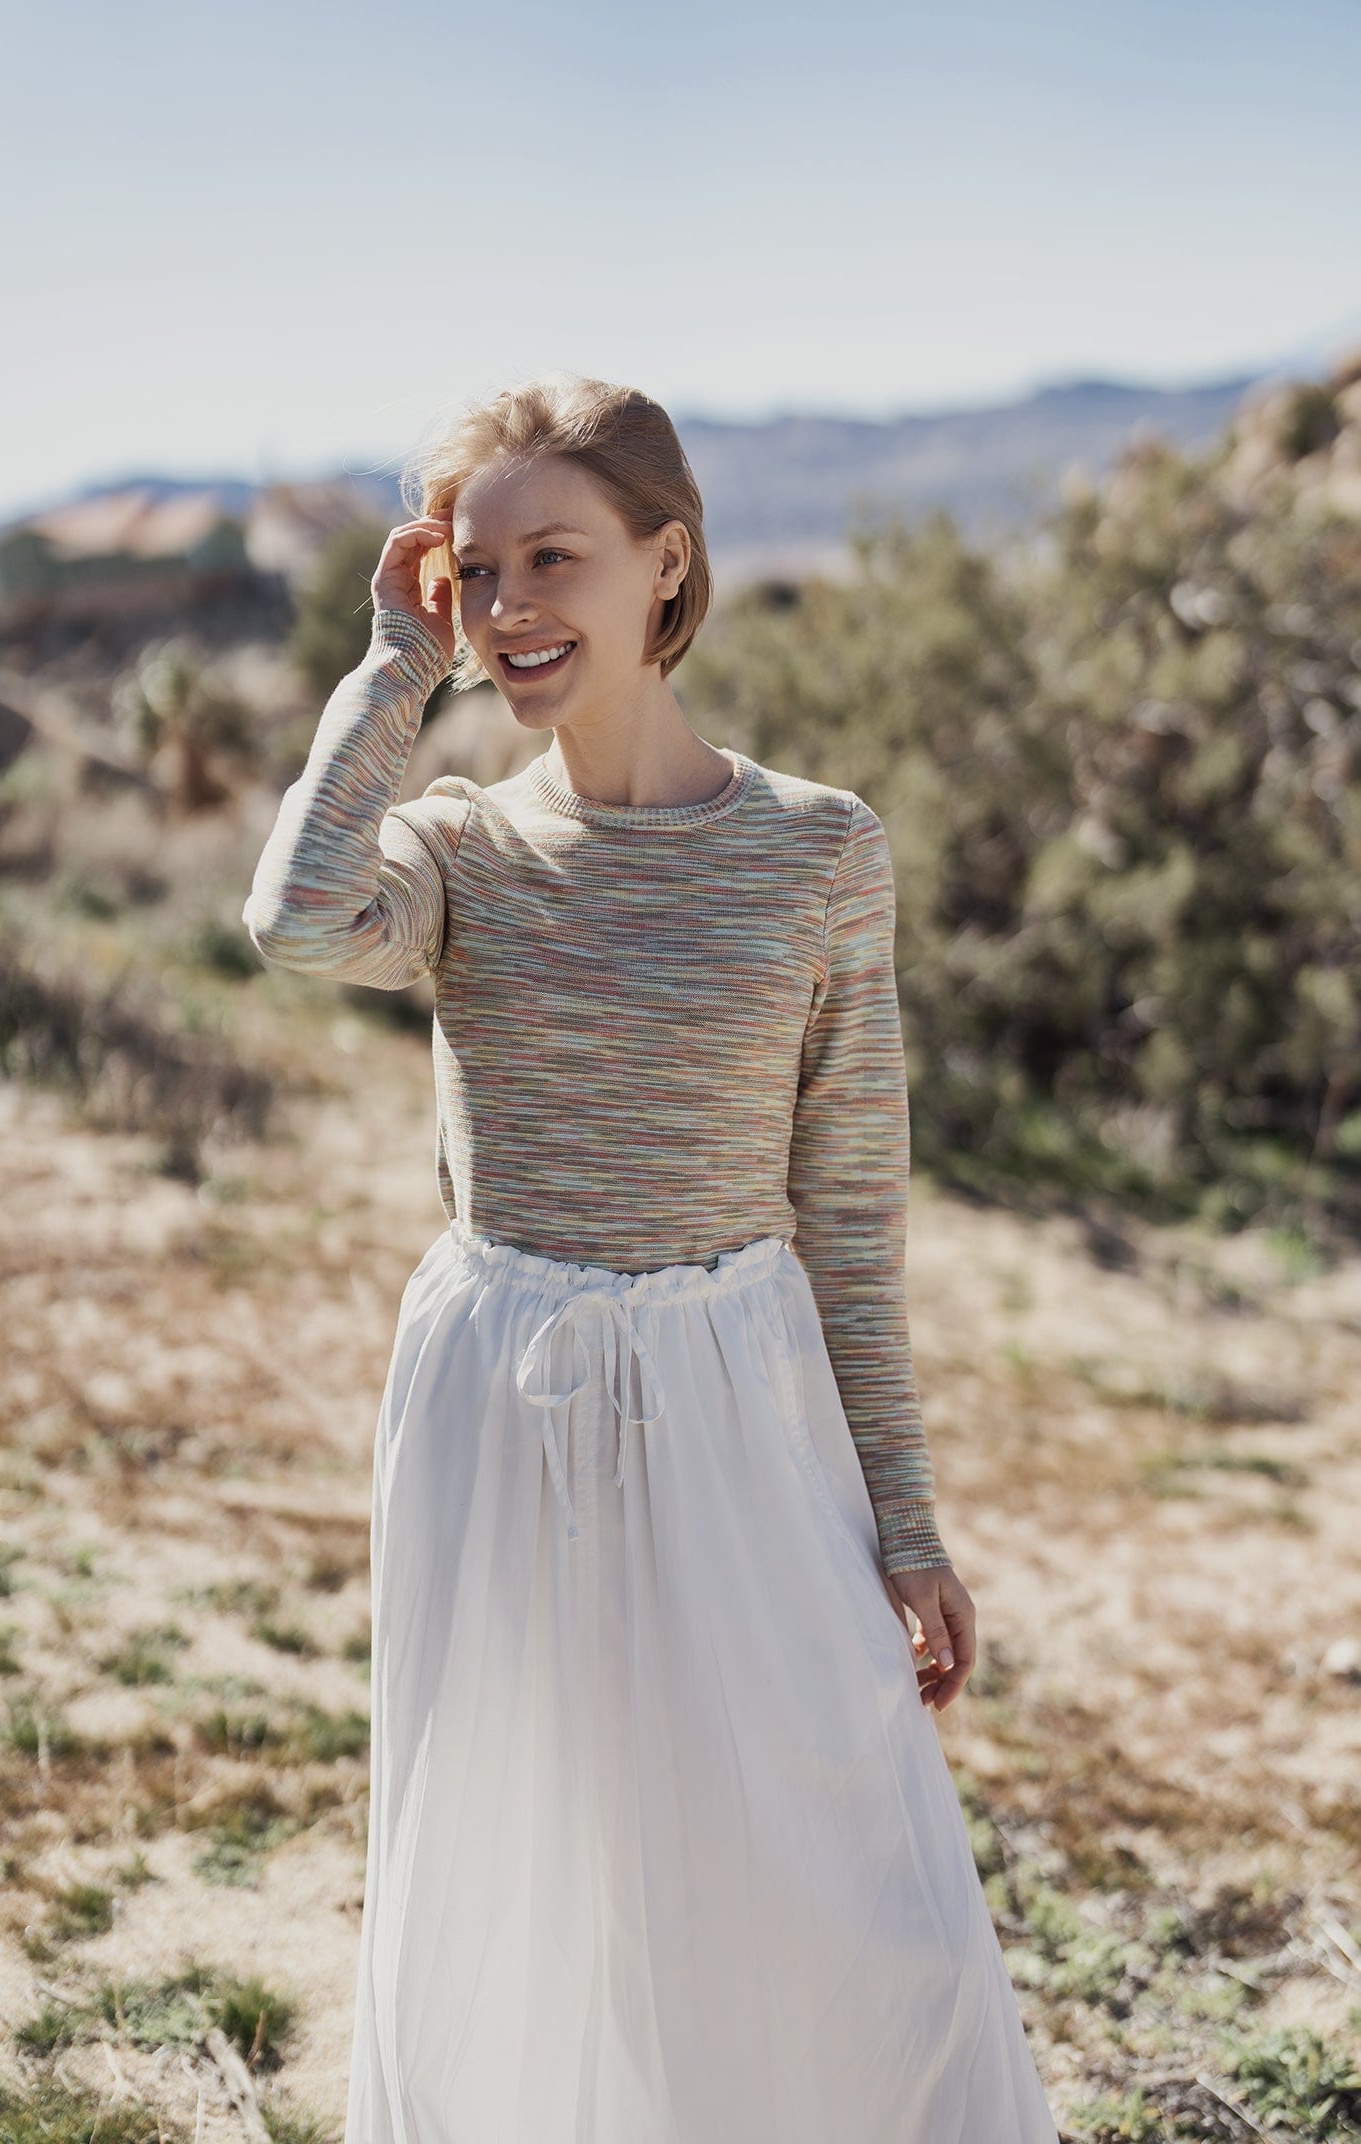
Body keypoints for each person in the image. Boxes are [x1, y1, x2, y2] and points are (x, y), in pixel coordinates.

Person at [242, 371, 1059, 2143]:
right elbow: (293, 917)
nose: (516, 606)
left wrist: (905, 1522)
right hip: (499, 1387)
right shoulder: (458, 849)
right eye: (480, 572)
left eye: (559, 557)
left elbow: (849, 1207)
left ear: (662, 564)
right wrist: (396, 666)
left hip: (735, 1388)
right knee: (532, 1858)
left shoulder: (818, 852)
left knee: (829, 1868)